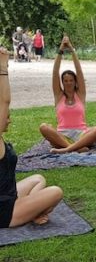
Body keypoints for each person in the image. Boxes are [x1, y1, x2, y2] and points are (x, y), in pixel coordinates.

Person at [0, 47, 63, 228]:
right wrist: (3, 68)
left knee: (38, 179)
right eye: (7, 117)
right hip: (5, 211)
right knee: (56, 192)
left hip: (9, 195)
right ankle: (32, 212)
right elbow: (4, 101)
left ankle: (35, 210)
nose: (9, 120)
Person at [39, 35, 96, 154]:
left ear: (75, 81)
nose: (68, 83)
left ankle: (66, 149)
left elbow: (79, 71)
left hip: (81, 134)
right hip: (62, 134)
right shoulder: (59, 95)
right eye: (65, 81)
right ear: (62, 82)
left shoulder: (80, 94)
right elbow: (55, 72)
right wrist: (60, 50)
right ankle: (75, 148)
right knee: (44, 127)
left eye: (71, 80)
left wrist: (72, 50)